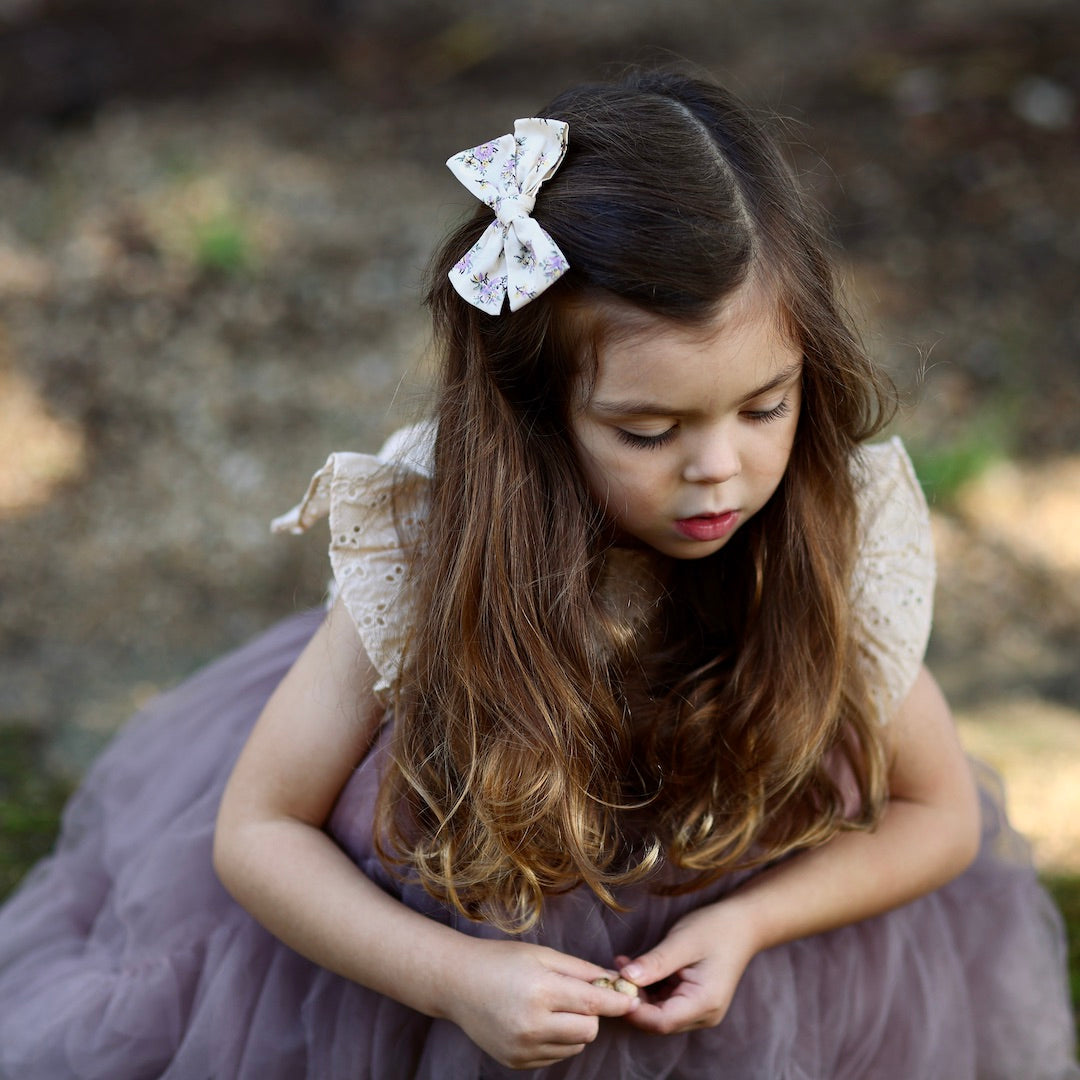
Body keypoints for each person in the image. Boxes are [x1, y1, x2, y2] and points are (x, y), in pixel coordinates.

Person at [0, 70, 1076, 1080]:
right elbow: (258, 832)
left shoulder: (821, 528)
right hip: (456, 958)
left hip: (761, 970)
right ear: (535, 416)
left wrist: (751, 922)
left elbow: (938, 813)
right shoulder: (429, 545)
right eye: (648, 429)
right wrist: (454, 978)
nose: (722, 469)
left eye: (765, 407)